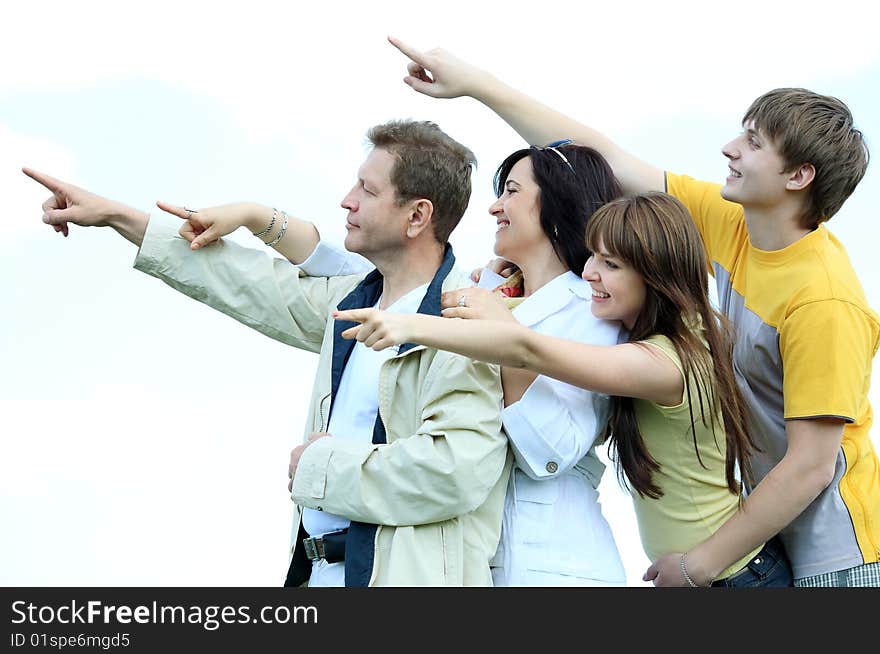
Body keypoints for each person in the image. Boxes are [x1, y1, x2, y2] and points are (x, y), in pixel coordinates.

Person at [385, 36, 880, 586]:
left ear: (798, 177)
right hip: (764, 535)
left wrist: (699, 566)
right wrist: (475, 84)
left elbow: (811, 467)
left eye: (754, 141)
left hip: (838, 553)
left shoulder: (824, 301)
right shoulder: (737, 223)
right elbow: (603, 157)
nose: (730, 148)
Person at [23, 119, 512, 587]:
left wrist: (319, 467)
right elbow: (238, 277)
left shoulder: (461, 322)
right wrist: (113, 215)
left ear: (417, 215)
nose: (347, 201)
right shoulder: (350, 301)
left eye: (367, 190)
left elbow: (455, 471)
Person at [337, 191, 792, 587]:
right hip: (709, 575)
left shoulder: (667, 362)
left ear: (656, 276)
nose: (590, 273)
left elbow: (528, 350)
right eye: (592, 256)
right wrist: (503, 280)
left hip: (734, 578)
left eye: (611, 265)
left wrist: (405, 324)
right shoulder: (674, 332)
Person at [296, 141, 630, 585]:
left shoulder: (588, 309)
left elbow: (550, 452)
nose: (495, 206)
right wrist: (274, 228)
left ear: (556, 202)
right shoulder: (490, 294)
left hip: (555, 562)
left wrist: (506, 342)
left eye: (511, 191)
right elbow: (399, 281)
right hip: (483, 565)